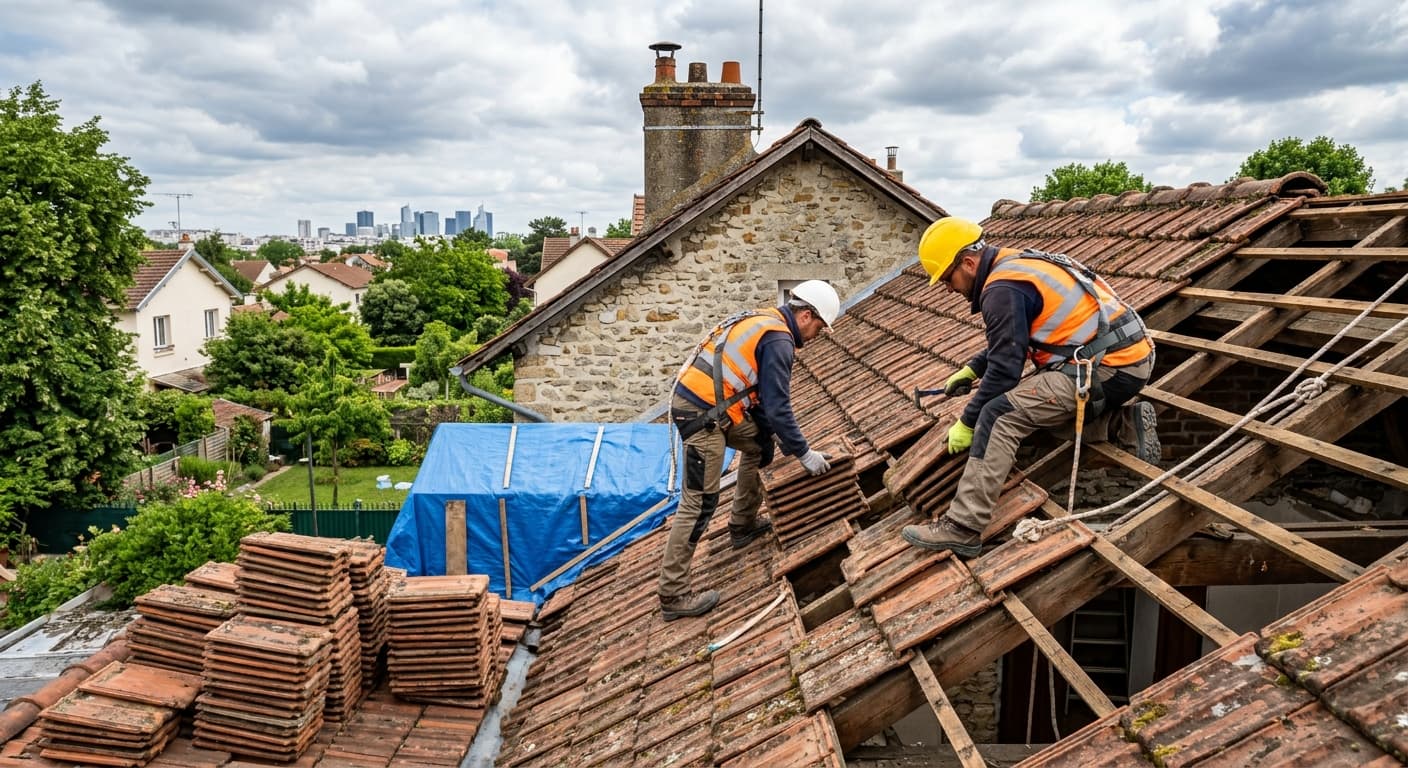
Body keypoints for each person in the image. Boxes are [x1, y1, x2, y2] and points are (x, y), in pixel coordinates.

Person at [902, 217, 1160, 557]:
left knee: (999, 415)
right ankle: (1123, 426)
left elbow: (1005, 372)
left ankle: (963, 526)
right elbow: (1015, 339)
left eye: (948, 278)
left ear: (968, 262)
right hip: (1126, 358)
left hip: (1107, 368)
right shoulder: (1016, 262)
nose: (949, 288)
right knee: (1030, 402)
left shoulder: (1002, 289)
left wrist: (967, 422)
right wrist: (972, 368)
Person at [658, 280, 839, 620]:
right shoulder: (779, 340)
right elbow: (777, 406)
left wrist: (784, 443)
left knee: (759, 445)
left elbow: (760, 406)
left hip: (715, 407)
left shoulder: (767, 321)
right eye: (819, 326)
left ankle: (742, 525)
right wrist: (804, 453)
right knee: (700, 502)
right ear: (805, 315)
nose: (817, 335)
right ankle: (673, 594)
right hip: (702, 415)